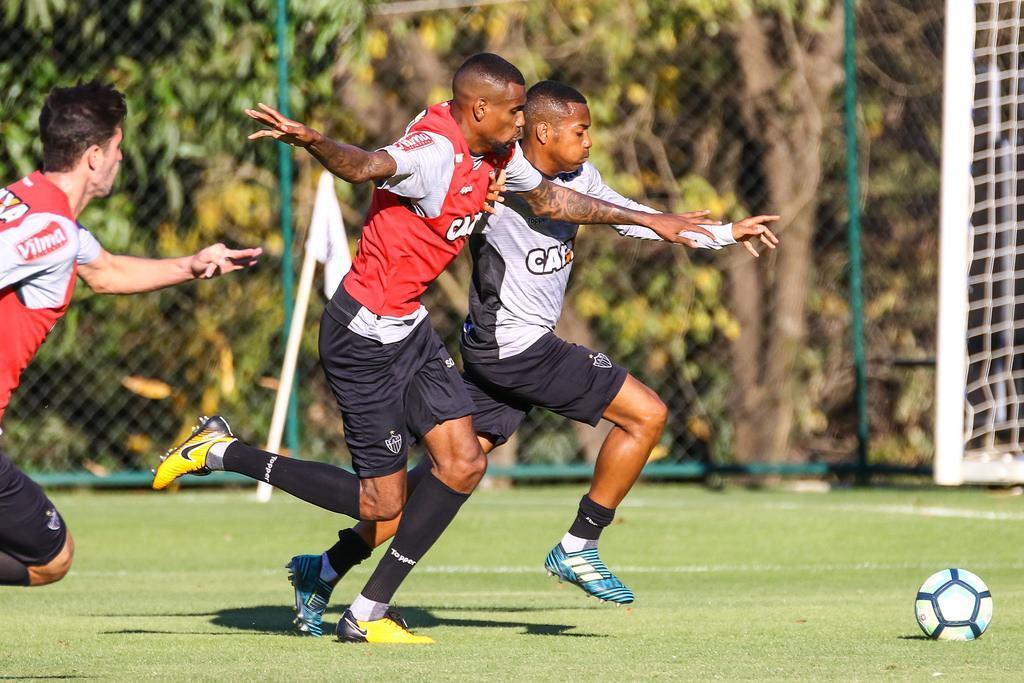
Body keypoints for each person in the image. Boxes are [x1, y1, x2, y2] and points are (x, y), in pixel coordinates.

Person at [152, 54, 716, 644]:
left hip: (411, 329)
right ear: (480, 109)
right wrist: (315, 141)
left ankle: (365, 610)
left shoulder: (497, 152)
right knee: (380, 504)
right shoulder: (435, 153)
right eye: (515, 112)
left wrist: (654, 221)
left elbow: (553, 203)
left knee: (464, 463)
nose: (522, 122)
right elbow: (367, 165)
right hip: (362, 336)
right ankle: (223, 452)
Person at [283, 80, 780, 635]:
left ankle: (326, 568)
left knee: (450, 472)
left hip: (507, 350)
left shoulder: (576, 178)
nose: (589, 141)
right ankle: (580, 543)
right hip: (512, 348)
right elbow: (394, 175)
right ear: (543, 131)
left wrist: (723, 233)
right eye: (580, 131)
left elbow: (620, 212)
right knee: (646, 414)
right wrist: (323, 145)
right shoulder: (498, 175)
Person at [0, 81, 262, 588]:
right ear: (94, 157)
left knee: (52, 555)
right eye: (118, 147)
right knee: (49, 558)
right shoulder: (50, 231)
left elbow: (107, 272)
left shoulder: (25, 204)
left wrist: (192, 264)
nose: (121, 158)